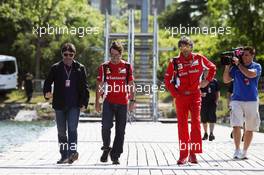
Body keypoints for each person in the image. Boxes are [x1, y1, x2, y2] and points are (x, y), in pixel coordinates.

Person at [164, 36, 216, 165]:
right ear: (180, 48)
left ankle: (193, 154)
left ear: (191, 47)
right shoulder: (174, 62)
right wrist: (175, 94)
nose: (184, 49)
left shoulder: (198, 58)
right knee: (182, 126)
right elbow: (167, 80)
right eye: (182, 46)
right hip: (181, 96)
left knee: (196, 124)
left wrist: (207, 80)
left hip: (195, 95)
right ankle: (183, 155)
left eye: (187, 46)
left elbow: (212, 67)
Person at [43, 43, 89, 164]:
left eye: (71, 54)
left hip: (74, 105)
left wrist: (85, 102)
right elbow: (47, 82)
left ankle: (72, 153)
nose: (68, 57)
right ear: (62, 54)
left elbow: (85, 87)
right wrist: (47, 92)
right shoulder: (56, 68)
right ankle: (64, 155)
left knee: (72, 129)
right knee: (61, 131)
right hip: (59, 105)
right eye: (65, 54)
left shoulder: (80, 68)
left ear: (74, 54)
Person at [95, 41, 135, 165]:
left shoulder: (127, 66)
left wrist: (132, 100)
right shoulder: (104, 67)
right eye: (112, 55)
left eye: (117, 55)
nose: (114, 58)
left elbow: (131, 84)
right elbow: (99, 85)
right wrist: (97, 101)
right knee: (105, 127)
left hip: (123, 102)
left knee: (120, 130)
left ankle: (115, 155)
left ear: (121, 54)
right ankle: (106, 148)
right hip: (108, 102)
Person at [223, 46, 261, 160]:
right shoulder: (235, 67)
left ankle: (244, 152)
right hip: (237, 100)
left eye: (247, 55)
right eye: (243, 55)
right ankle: (237, 150)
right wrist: (227, 67)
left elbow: (250, 74)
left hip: (252, 100)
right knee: (236, 125)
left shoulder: (256, 66)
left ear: (252, 56)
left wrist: (239, 64)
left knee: (249, 127)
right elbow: (226, 80)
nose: (244, 57)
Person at [200, 71, 220, 141]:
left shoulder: (214, 81)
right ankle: (205, 133)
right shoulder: (201, 81)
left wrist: (217, 100)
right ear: (203, 74)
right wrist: (201, 94)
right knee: (204, 118)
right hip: (203, 102)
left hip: (212, 102)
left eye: (208, 73)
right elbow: (196, 90)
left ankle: (211, 133)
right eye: (205, 73)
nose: (207, 74)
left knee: (212, 118)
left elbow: (217, 92)